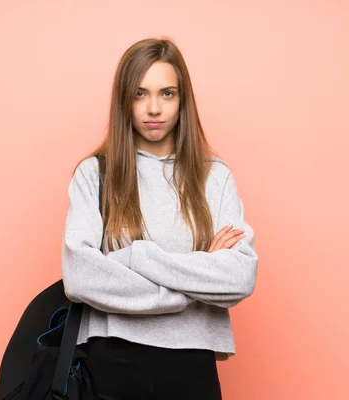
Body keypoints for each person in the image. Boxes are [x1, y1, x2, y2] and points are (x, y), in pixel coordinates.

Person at [60, 37, 258, 400]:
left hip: (193, 360)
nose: (153, 108)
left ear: (183, 101)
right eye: (140, 93)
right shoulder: (95, 174)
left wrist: (138, 257)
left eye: (167, 93)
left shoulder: (214, 176)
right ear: (124, 100)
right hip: (111, 358)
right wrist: (192, 286)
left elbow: (240, 276)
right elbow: (80, 277)